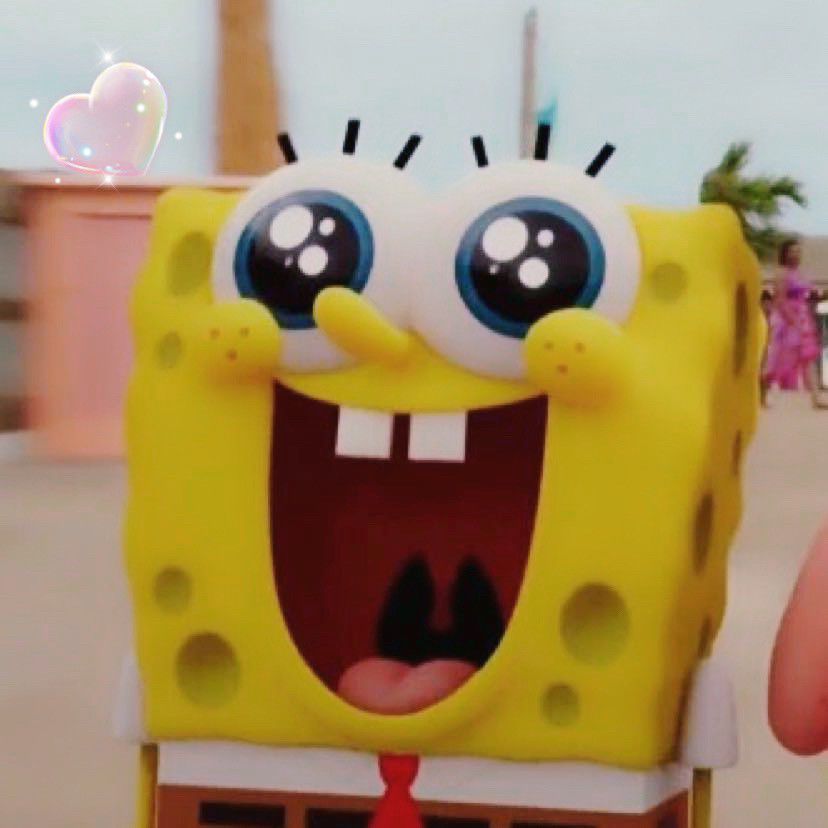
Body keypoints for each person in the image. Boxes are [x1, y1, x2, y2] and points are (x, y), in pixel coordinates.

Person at [763, 239, 825, 408]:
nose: (796, 254)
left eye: (798, 251)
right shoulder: (781, 273)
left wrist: (803, 321)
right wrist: (793, 322)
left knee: (808, 356)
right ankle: (763, 393)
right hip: (786, 321)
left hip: (802, 317)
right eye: (792, 251)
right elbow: (780, 300)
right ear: (785, 253)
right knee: (777, 358)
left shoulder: (799, 272)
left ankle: (816, 398)